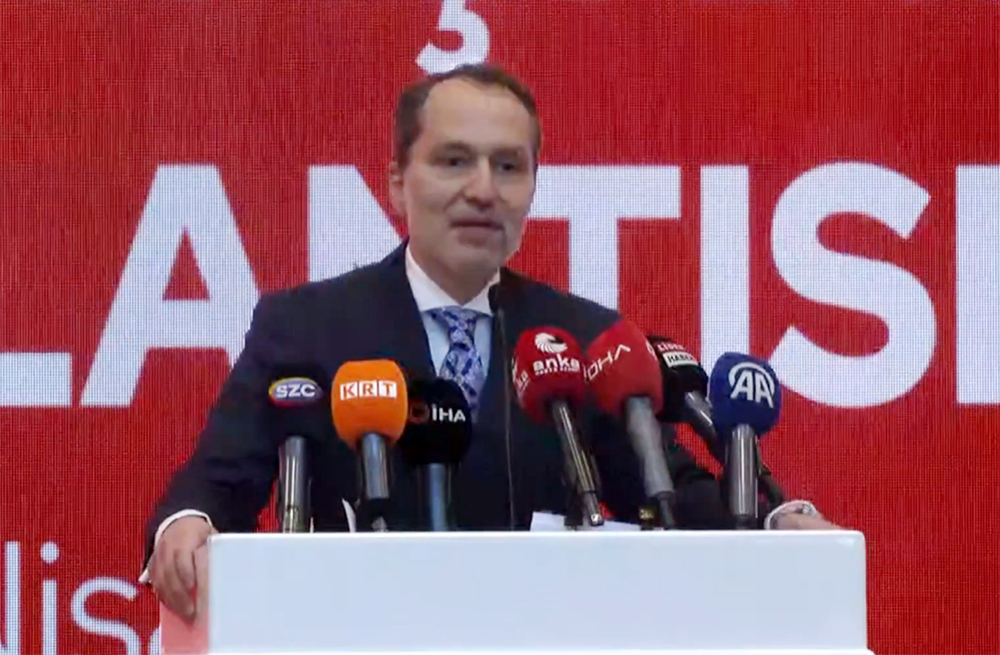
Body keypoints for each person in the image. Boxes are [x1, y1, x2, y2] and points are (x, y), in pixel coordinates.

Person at [142, 63, 840, 621]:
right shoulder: (307, 326)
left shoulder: (583, 337)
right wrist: (187, 524)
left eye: (508, 167)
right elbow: (215, 482)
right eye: (454, 161)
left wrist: (776, 522)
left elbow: (670, 490)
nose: (483, 190)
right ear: (397, 184)